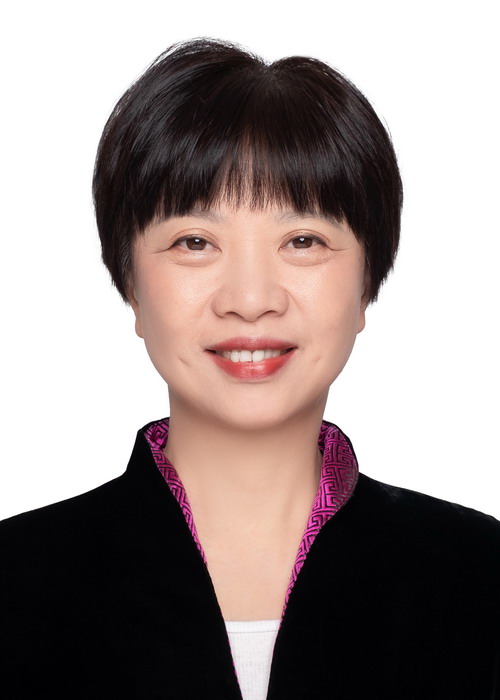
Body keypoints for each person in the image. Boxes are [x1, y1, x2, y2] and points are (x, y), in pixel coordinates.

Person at [0, 38, 498, 700]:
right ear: (131, 286)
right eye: (195, 242)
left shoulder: (481, 579)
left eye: (303, 241)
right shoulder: (14, 583)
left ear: (367, 285)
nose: (251, 298)